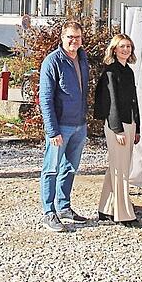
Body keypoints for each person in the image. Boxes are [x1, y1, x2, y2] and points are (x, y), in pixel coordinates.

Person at [38, 21, 90, 232]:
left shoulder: (82, 58)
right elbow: (46, 98)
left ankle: (64, 206)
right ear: (62, 37)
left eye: (77, 37)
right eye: (70, 37)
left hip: (79, 125)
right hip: (61, 127)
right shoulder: (52, 62)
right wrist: (53, 130)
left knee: (69, 168)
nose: (73, 41)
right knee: (51, 169)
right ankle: (49, 213)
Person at [95, 34, 141, 227]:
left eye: (128, 46)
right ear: (114, 49)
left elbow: (133, 100)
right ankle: (123, 214)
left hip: (129, 124)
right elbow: (110, 102)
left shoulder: (128, 71)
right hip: (117, 126)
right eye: (122, 46)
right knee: (121, 170)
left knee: (117, 166)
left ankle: (105, 208)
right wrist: (118, 130)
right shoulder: (110, 72)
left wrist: (136, 126)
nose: (126, 50)